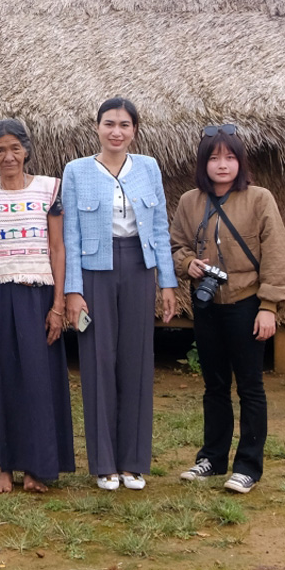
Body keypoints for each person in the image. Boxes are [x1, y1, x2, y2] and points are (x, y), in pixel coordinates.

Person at [170, 123, 285, 494]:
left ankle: (248, 466)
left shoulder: (260, 199)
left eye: (229, 157)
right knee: (214, 385)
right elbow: (177, 245)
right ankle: (211, 458)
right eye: (214, 158)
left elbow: (277, 253)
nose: (222, 165)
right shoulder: (189, 201)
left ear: (240, 161)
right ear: (202, 164)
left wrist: (269, 306)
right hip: (207, 303)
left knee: (251, 387)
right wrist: (187, 263)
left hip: (247, 302)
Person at [59, 97, 177, 491]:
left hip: (140, 267)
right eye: (109, 123)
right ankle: (104, 463)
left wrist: (168, 281)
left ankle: (133, 462)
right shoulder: (76, 170)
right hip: (96, 270)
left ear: (134, 131)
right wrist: (72, 291)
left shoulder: (148, 167)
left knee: (137, 362)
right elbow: (70, 234)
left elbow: (159, 226)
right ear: (97, 128)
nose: (116, 131)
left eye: (125, 125)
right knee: (98, 362)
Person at [0, 118, 74, 493]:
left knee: (38, 382)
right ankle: (4, 469)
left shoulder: (48, 189)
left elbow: (57, 249)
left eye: (14, 148)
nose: (8, 156)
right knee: (0, 380)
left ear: (26, 150)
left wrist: (57, 305)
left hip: (38, 294)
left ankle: (36, 468)